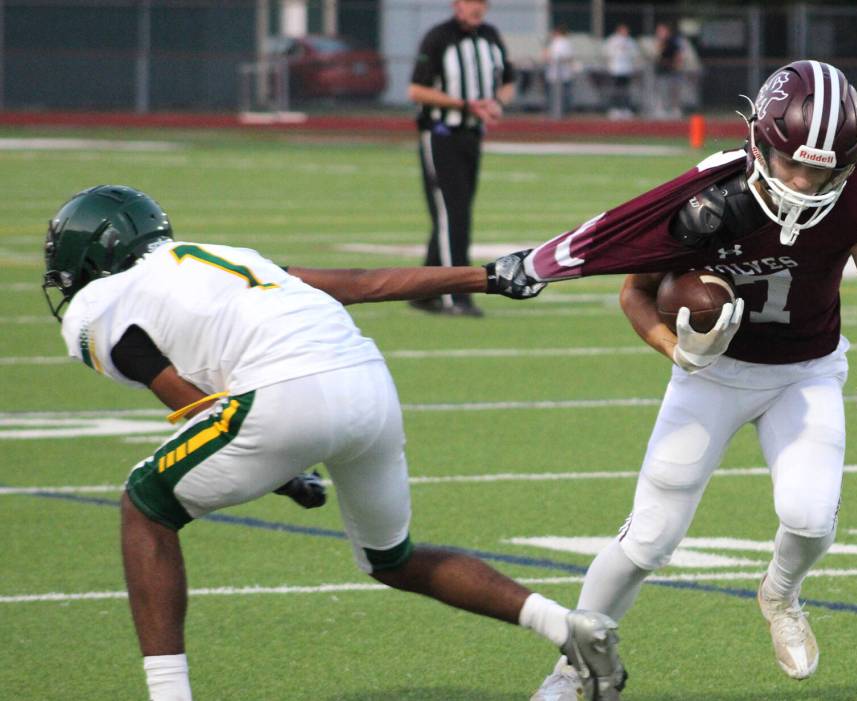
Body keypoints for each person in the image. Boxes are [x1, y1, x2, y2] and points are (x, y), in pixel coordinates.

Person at [42, 185, 627, 701]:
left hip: (280, 392)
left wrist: (276, 465)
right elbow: (363, 284)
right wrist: (485, 276)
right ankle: (566, 627)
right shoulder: (227, 258)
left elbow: (184, 396)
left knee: (145, 506)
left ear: (93, 257)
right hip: (368, 385)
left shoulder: (100, 304)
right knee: (391, 559)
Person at [484, 61, 857, 699]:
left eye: (821, 169)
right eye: (792, 163)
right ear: (758, 142)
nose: (803, 183)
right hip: (714, 373)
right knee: (650, 538)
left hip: (805, 370)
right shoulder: (706, 200)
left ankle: (780, 594)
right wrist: (675, 349)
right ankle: (574, 668)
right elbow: (634, 293)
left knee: (810, 517)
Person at [407, 0, 517, 317]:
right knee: (453, 215)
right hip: (441, 135)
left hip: (472, 136)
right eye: (471, 2)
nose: (477, 8)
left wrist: (496, 102)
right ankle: (454, 294)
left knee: (455, 213)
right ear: (457, 5)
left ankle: (423, 292)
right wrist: (464, 105)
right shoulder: (438, 37)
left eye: (482, 3)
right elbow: (416, 90)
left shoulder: (491, 36)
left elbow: (509, 79)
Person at [602, 23, 639, 120]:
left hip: (627, 69)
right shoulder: (612, 40)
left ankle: (625, 108)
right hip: (616, 69)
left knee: (626, 90)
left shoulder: (630, 41)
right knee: (615, 90)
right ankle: (614, 108)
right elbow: (606, 53)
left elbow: (635, 54)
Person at [652, 22, 683, 119]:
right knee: (661, 91)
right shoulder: (658, 42)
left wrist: (677, 65)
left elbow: (678, 54)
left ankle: (674, 109)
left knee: (672, 91)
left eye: (661, 31)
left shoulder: (673, 41)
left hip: (671, 70)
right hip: (661, 70)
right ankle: (661, 109)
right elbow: (657, 55)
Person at [543, 25, 575, 118]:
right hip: (560, 74)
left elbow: (553, 57)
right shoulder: (560, 42)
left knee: (558, 96)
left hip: (559, 74)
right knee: (561, 96)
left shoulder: (560, 42)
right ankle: (560, 113)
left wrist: (547, 54)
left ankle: (558, 113)